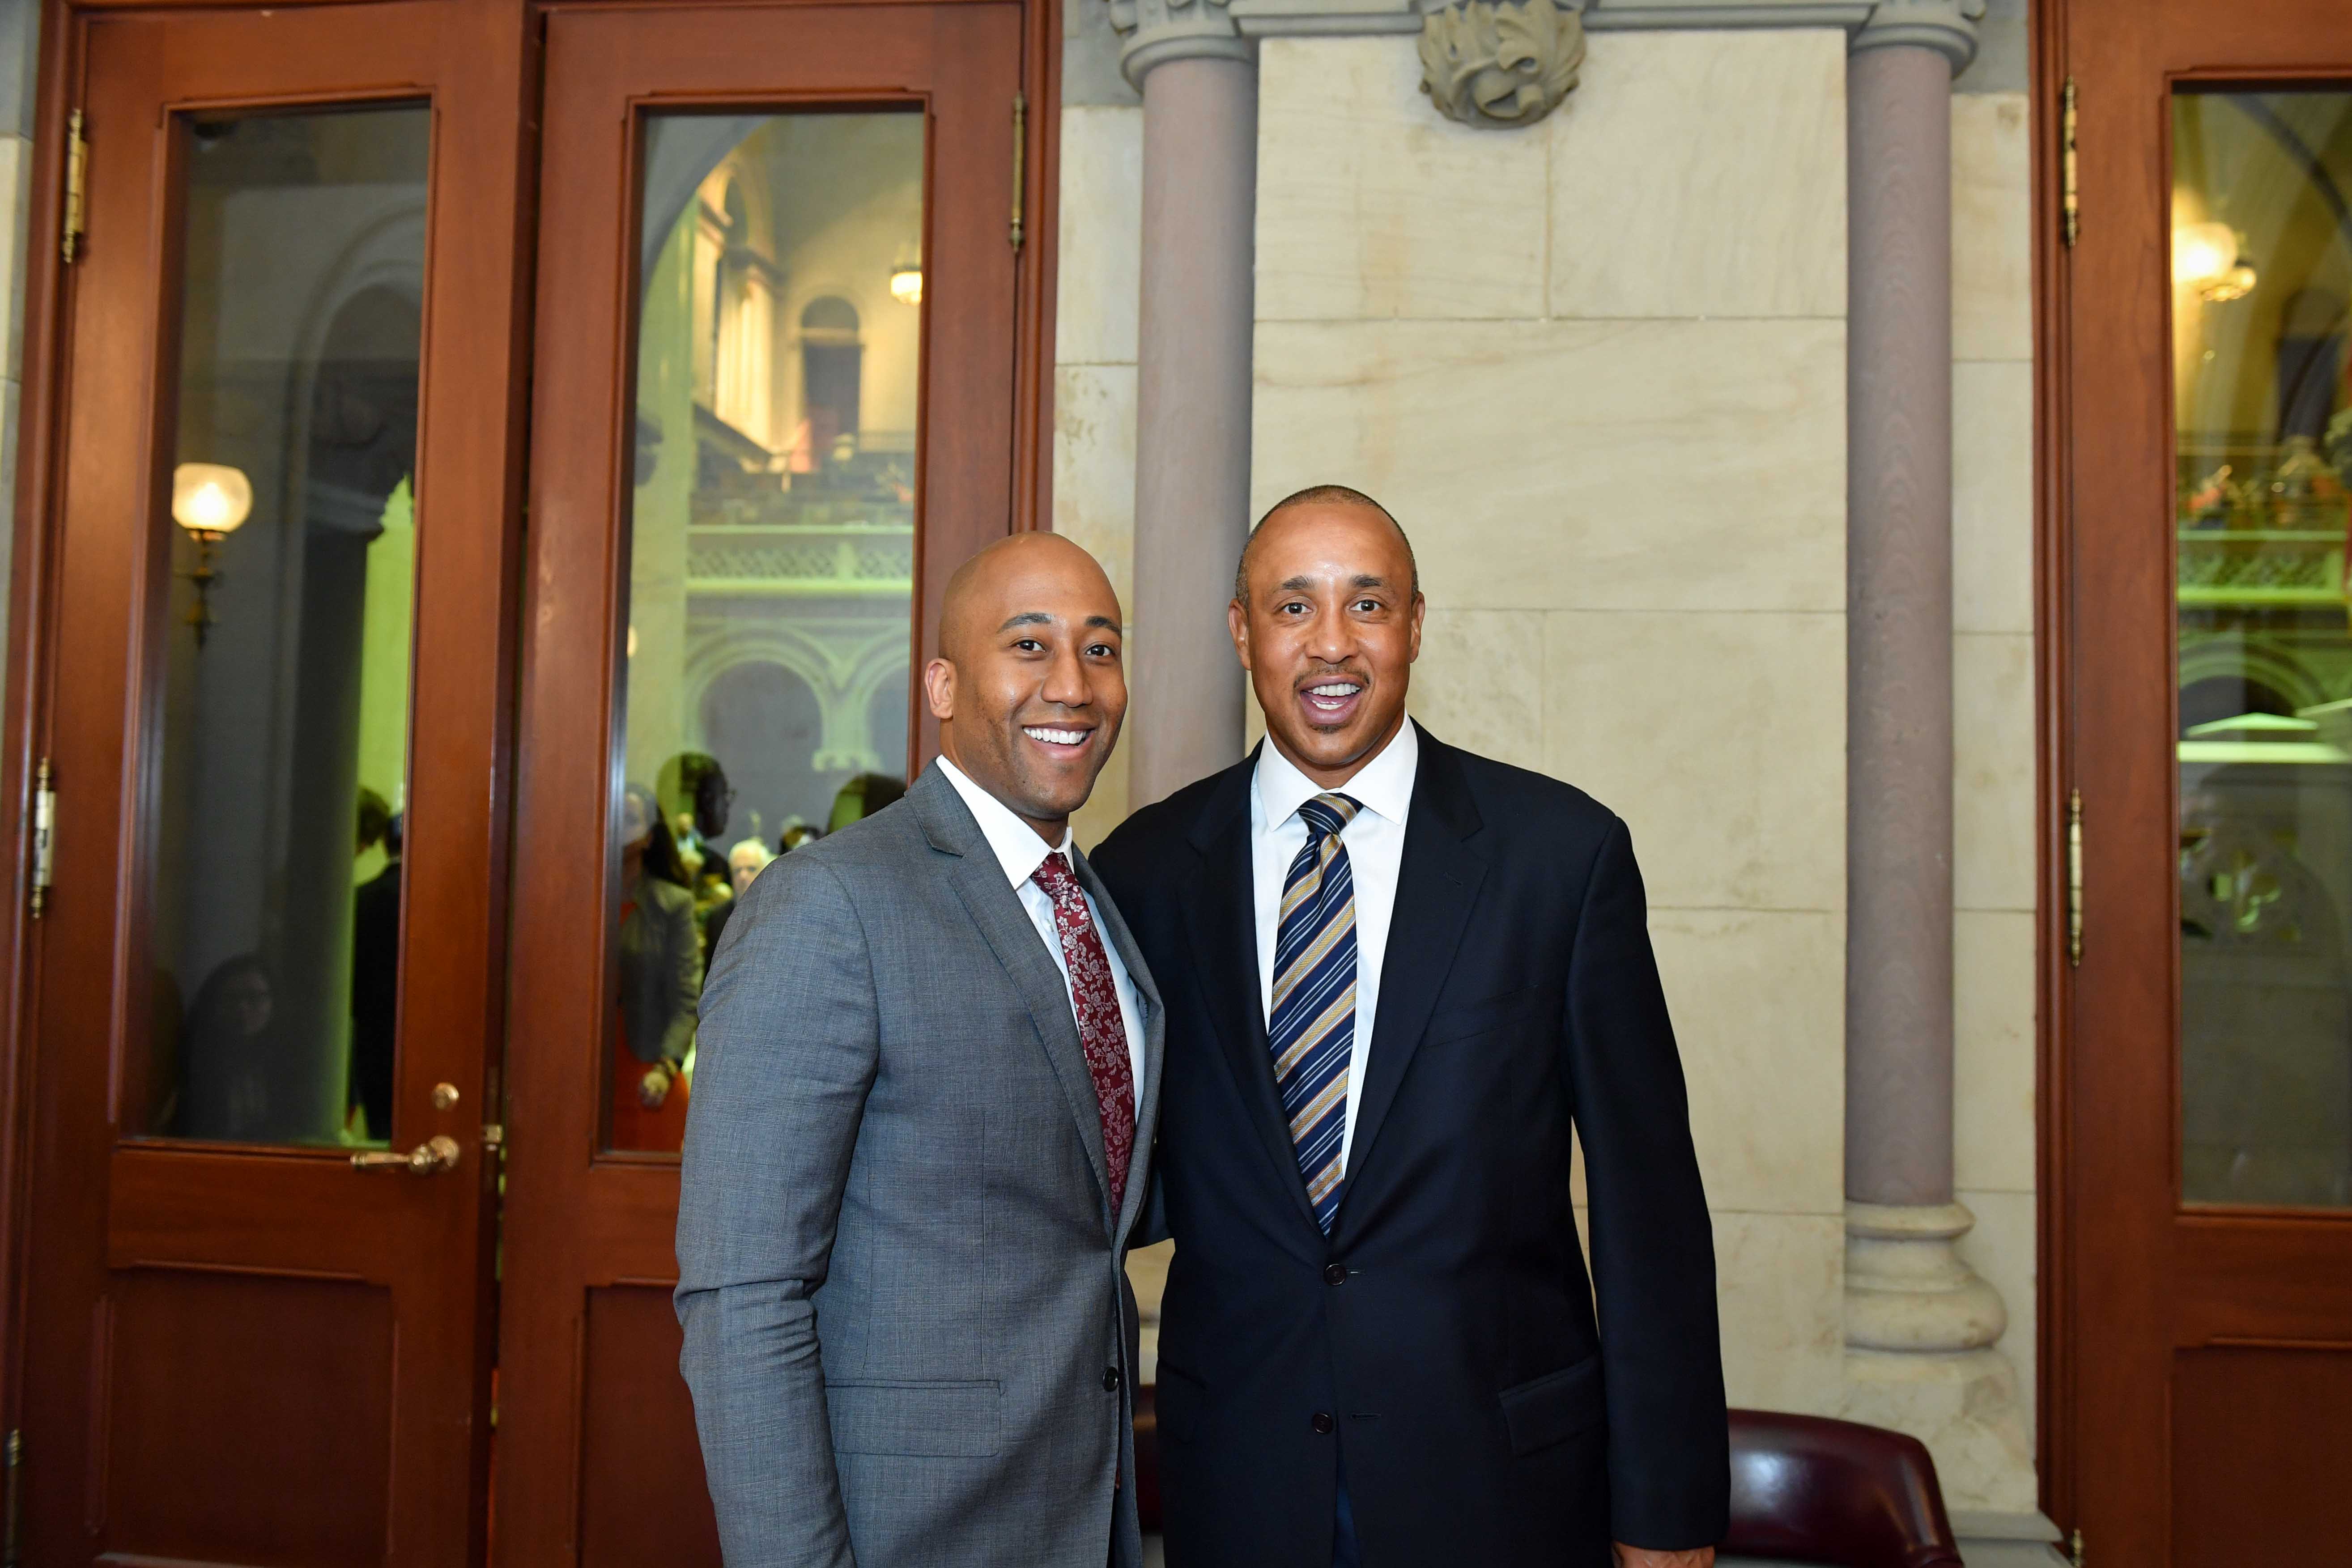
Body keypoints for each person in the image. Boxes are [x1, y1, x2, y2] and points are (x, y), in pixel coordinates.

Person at [1092, 486, 1728, 1568]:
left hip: (1498, 1485)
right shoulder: (1144, 875)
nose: (1330, 643)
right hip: (1240, 1480)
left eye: (1367, 604)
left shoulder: (1559, 859)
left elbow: (1649, 1207)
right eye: (1292, 607)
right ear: (1242, 631)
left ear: (1417, 625)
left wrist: (1665, 1510)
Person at [676, 531, 1160, 1568]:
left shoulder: (1095, 909)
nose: (1072, 684)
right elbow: (743, 1291)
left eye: (1101, 647)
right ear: (943, 683)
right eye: (1027, 645)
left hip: (1080, 1513)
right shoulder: (829, 905)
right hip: (910, 1525)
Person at [614, 786, 699, 1152]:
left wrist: (666, 1067)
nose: (618, 826)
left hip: (648, 1077)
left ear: (649, 836)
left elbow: (687, 997)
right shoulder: (572, 895)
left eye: (630, 818)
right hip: (584, 1083)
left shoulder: (673, 904)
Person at [177, 954, 283, 1141]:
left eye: (254, 998)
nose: (242, 1008)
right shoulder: (194, 1060)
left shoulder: (290, 1062)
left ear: (274, 1003)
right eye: (231, 998)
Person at [349, 810, 402, 1141]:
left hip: (369, 1036)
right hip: (433, 1038)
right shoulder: (444, 901)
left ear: (384, 843)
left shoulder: (359, 898)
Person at [698, 836, 773, 968]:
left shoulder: (782, 914)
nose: (743, 876)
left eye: (751, 869)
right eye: (738, 870)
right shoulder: (717, 919)